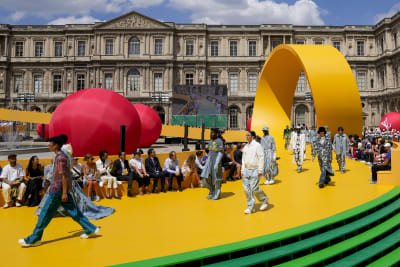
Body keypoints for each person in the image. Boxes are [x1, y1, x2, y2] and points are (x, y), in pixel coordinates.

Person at [19, 135, 99, 247]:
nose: (48, 145)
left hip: (57, 191)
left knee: (44, 214)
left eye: (50, 143)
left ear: (56, 145)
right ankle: (90, 228)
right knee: (74, 212)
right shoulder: (60, 156)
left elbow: (64, 176)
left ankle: (34, 239)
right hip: (60, 190)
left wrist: (65, 193)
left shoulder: (60, 158)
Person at [241, 131, 269, 214]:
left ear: (253, 136)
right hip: (246, 170)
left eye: (248, 135)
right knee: (246, 189)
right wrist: (242, 170)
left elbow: (261, 157)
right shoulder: (246, 147)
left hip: (255, 170)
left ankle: (264, 200)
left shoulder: (257, 146)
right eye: (246, 135)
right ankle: (250, 206)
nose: (247, 136)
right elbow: (243, 159)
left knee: (254, 188)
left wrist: (260, 170)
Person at [201, 128, 224, 200]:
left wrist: (217, 163)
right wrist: (207, 161)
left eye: (213, 133)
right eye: (211, 133)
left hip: (217, 161)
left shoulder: (219, 141)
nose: (211, 134)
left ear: (216, 134)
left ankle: (217, 193)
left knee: (217, 178)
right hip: (210, 160)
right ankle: (212, 190)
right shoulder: (210, 141)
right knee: (205, 176)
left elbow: (220, 152)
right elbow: (209, 152)